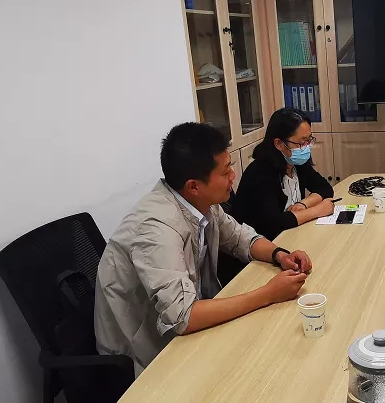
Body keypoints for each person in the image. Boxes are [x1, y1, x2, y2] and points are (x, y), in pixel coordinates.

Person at [94, 122, 314, 371]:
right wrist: (268, 294)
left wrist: (280, 255)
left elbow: (239, 237)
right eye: (225, 171)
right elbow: (183, 316)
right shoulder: (156, 229)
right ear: (194, 186)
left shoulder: (199, 203)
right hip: (143, 355)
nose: (233, 176)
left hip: (182, 327)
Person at [231, 108, 335, 241]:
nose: (306, 147)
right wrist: (316, 211)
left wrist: (303, 204)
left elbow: (325, 188)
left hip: (292, 235)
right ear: (279, 144)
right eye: (302, 142)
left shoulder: (296, 163)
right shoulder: (260, 173)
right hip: (260, 245)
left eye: (309, 140)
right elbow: (272, 225)